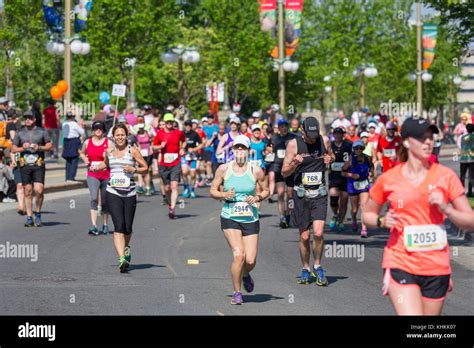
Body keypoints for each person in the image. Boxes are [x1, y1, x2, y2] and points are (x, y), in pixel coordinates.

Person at [362, 116, 474, 315]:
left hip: (436, 266)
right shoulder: (389, 179)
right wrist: (381, 220)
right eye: (422, 138)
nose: (429, 142)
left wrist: (446, 209)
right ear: (406, 141)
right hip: (400, 262)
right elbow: (367, 215)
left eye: (431, 137)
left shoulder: (445, 176)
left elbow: (470, 221)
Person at [209, 135, 269, 305]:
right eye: (237, 148)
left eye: (243, 148)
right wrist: (223, 194)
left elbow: (267, 190)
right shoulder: (223, 169)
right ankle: (237, 293)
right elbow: (212, 190)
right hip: (230, 217)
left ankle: (244, 274)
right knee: (238, 254)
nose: (240, 151)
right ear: (233, 150)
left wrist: (257, 197)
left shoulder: (255, 170)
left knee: (250, 260)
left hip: (250, 218)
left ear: (248, 151)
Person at [281, 116, 335, 286]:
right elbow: (284, 172)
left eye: (315, 135)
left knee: (318, 233)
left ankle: (317, 266)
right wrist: (295, 164)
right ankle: (305, 268)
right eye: (309, 136)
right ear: (302, 131)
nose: (312, 139)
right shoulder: (293, 144)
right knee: (304, 237)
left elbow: (332, 156)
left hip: (319, 194)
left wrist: (330, 159)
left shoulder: (324, 140)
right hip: (301, 195)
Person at [90, 123, 148, 273]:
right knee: (118, 226)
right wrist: (97, 167)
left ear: (126, 135)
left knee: (127, 227)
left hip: (129, 193)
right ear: (113, 137)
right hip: (113, 192)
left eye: (122, 135)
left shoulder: (133, 151)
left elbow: (145, 167)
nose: (120, 137)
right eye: (117, 135)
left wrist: (133, 169)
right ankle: (122, 258)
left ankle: (126, 248)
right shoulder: (108, 151)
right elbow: (105, 164)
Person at [11, 111, 53, 227]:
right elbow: (13, 148)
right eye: (26, 118)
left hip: (38, 164)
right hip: (24, 165)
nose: (27, 120)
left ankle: (38, 213)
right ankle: (29, 217)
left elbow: (50, 146)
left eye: (30, 117)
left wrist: (39, 147)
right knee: (28, 191)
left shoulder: (42, 131)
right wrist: (21, 148)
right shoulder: (20, 132)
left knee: (39, 190)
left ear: (34, 119)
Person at [79, 120, 111, 236]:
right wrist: (84, 159)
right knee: (93, 198)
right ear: (93, 130)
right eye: (96, 128)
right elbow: (82, 152)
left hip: (106, 174)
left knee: (105, 200)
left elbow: (115, 154)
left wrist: (107, 156)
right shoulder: (87, 142)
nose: (98, 130)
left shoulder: (108, 142)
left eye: (100, 128)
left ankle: (106, 224)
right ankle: (94, 225)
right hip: (92, 173)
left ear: (103, 130)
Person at [153, 113, 186, 219]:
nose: (169, 124)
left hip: (175, 162)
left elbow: (184, 141)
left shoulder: (178, 133)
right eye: (167, 122)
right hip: (163, 164)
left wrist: (182, 149)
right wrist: (160, 146)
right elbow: (153, 147)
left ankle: (172, 207)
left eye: (171, 122)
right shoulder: (159, 134)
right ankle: (169, 203)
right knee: (167, 188)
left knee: (174, 186)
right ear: (164, 123)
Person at [267, 119, 297, 228]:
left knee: (290, 194)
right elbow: (267, 147)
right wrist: (269, 150)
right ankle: (282, 216)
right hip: (278, 167)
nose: (284, 128)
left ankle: (288, 215)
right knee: (280, 194)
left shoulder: (293, 137)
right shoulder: (274, 137)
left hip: (290, 168)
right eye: (281, 126)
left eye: (285, 126)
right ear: (278, 128)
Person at [342, 140, 374, 237]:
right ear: (354, 149)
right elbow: (343, 172)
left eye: (360, 148)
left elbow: (372, 167)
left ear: (363, 149)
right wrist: (352, 175)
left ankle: (364, 229)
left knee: (364, 206)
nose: (359, 150)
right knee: (355, 209)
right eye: (357, 148)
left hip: (364, 184)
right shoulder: (351, 159)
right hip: (353, 185)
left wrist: (371, 174)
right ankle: (355, 220)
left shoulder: (367, 158)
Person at [328, 127, 352, 232]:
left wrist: (348, 165)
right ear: (333, 135)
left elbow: (354, 156)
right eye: (335, 134)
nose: (337, 135)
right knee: (333, 198)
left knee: (344, 200)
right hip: (334, 176)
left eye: (339, 134)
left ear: (343, 135)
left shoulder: (349, 145)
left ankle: (341, 221)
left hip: (346, 176)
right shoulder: (330, 145)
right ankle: (336, 215)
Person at [131, 115, 156, 196]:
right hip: (140, 154)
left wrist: (152, 143)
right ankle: (140, 186)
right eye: (139, 127)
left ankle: (148, 187)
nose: (140, 129)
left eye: (142, 127)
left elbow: (154, 137)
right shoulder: (135, 134)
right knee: (139, 170)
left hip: (148, 154)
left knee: (147, 170)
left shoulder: (148, 132)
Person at [181, 119, 204, 199]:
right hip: (184, 156)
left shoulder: (195, 134)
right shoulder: (182, 134)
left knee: (193, 174)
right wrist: (181, 148)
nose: (188, 127)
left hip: (193, 156)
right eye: (186, 125)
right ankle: (186, 188)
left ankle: (192, 190)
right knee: (184, 172)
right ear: (184, 126)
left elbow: (201, 145)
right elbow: (178, 143)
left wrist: (194, 149)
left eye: (189, 125)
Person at [62, 112, 84, 183]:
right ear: (72, 117)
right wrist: (81, 125)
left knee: (68, 160)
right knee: (74, 160)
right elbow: (82, 132)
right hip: (73, 141)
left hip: (66, 142)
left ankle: (67, 177)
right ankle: (71, 177)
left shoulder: (64, 124)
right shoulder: (74, 124)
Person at [202, 115, 219, 185]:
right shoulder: (204, 128)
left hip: (215, 148)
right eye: (208, 118)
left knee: (214, 165)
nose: (210, 119)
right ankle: (209, 178)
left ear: (213, 119)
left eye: (211, 118)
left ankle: (214, 177)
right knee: (208, 164)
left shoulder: (216, 127)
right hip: (207, 148)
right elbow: (202, 137)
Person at [460, 123, 474, 197]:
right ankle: (470, 192)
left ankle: (461, 191)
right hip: (472, 159)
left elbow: (462, 146)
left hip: (463, 158)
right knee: (471, 176)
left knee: (462, 176)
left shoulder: (463, 137)